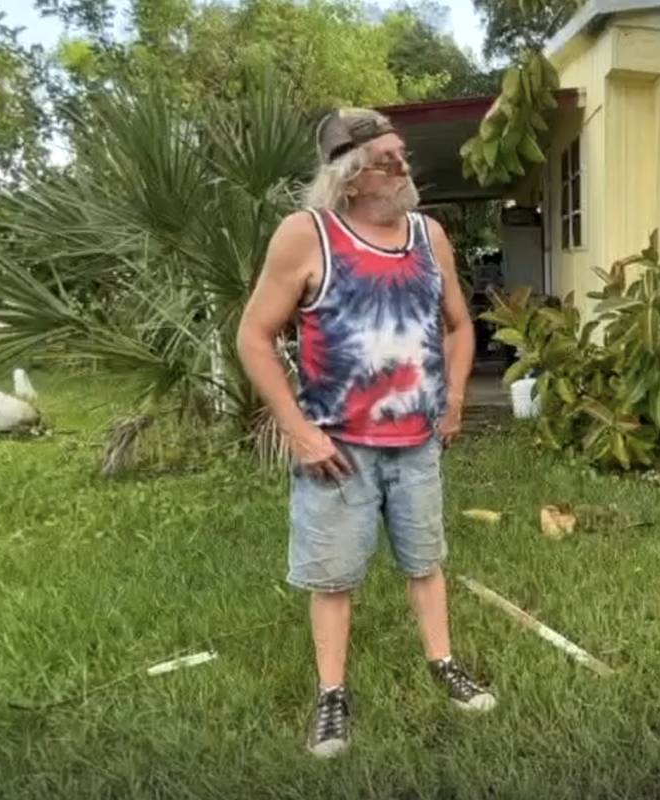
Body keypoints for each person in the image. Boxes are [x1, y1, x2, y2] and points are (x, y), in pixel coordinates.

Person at [237, 107, 493, 759]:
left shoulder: (429, 237)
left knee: (426, 562)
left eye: (401, 154)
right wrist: (299, 431)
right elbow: (253, 336)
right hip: (336, 452)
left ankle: (444, 663)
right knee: (333, 579)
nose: (403, 166)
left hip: (417, 443)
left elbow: (460, 324)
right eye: (385, 159)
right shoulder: (307, 236)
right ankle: (332, 696)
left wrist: (456, 395)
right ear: (350, 177)